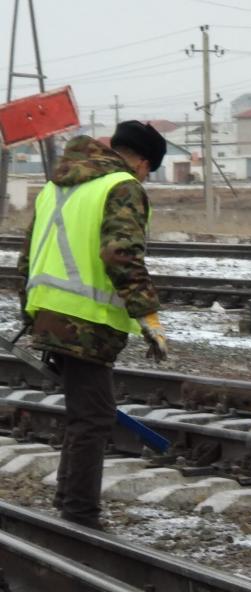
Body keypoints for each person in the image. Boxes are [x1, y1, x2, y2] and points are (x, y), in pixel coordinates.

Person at [16, 121, 169, 528]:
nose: (144, 177)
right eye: (148, 171)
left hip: (49, 312)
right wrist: (148, 317)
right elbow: (121, 255)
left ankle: (71, 502)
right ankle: (80, 514)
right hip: (87, 320)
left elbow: (26, 257)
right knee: (95, 417)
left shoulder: (57, 186)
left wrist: (29, 312)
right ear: (143, 162)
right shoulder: (121, 186)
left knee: (85, 413)